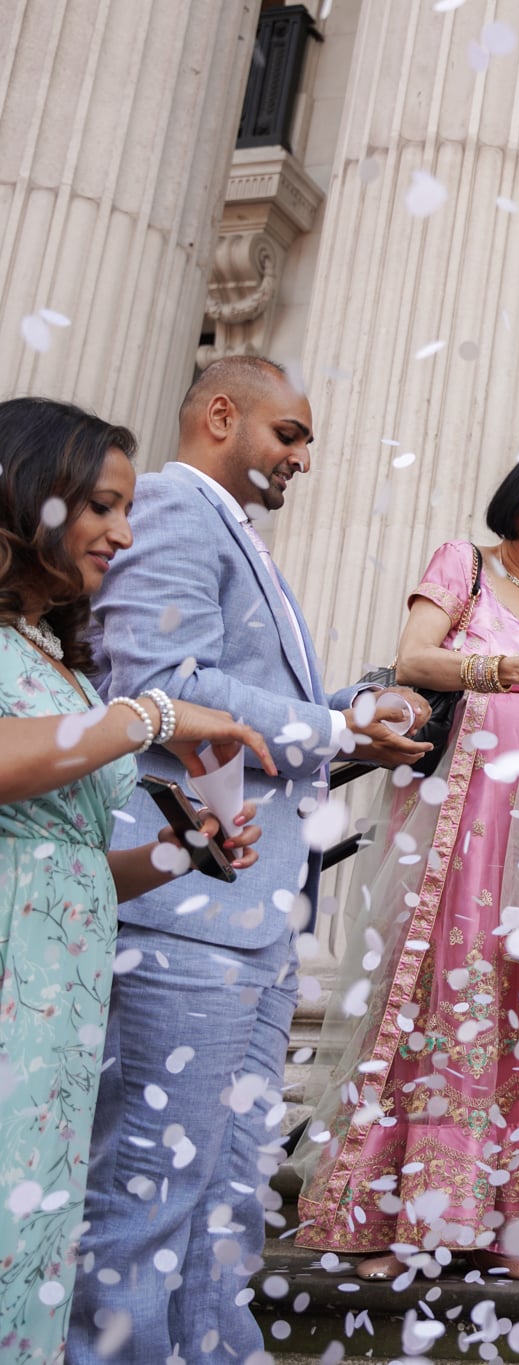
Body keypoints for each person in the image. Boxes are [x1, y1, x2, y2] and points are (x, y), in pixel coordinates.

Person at [73, 357, 429, 1365]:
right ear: (220, 414)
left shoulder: (239, 531)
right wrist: (335, 720)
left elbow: (235, 708)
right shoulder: (177, 510)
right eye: (289, 435)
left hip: (253, 913)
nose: (304, 459)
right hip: (181, 909)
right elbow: (155, 685)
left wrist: (352, 731)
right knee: (149, 1192)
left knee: (226, 1192)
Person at [292, 450, 519, 1283]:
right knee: (447, 992)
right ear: (514, 508)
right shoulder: (464, 565)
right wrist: (509, 668)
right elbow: (414, 658)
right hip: (463, 824)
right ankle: (393, 1215)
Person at [0, 397, 267, 1364]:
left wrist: (178, 855)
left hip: (57, 1004)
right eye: (103, 505)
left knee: (32, 1237)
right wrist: (153, 713)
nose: (124, 529)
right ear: (31, 497)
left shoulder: (59, 660)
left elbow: (66, 859)